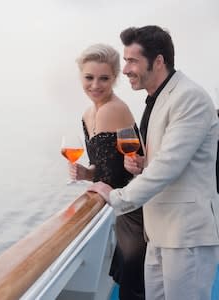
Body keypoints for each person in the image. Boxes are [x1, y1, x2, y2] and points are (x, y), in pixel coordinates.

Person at [88, 25, 219, 300]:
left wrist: (116, 196)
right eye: (125, 61)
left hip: (185, 236)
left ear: (158, 61)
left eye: (132, 60)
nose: (125, 70)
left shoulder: (189, 97)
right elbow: (164, 160)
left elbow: (169, 166)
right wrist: (143, 163)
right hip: (158, 232)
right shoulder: (157, 99)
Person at [71, 43, 146, 300]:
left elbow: (120, 172)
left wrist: (99, 178)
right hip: (121, 206)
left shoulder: (113, 109)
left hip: (135, 208)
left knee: (133, 286)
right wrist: (86, 173)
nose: (95, 85)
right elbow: (104, 168)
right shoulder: (87, 113)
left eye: (104, 78)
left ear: (115, 78)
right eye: (89, 77)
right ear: (81, 76)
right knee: (130, 284)